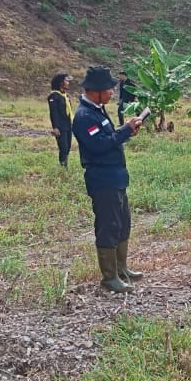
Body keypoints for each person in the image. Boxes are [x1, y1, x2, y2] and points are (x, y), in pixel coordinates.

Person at [72, 66, 145, 293]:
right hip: (102, 179)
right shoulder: (85, 116)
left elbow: (108, 137)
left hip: (116, 177)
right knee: (108, 226)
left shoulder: (98, 110)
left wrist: (125, 130)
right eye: (109, 90)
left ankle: (121, 268)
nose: (113, 93)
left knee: (122, 223)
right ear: (96, 91)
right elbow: (99, 145)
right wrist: (125, 131)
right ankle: (109, 277)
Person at [47, 72, 74, 167]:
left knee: (68, 148)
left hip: (68, 125)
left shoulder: (65, 96)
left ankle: (65, 165)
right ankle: (63, 168)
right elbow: (53, 113)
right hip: (60, 126)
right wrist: (55, 127)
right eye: (66, 81)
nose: (68, 83)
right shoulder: (54, 96)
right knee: (63, 148)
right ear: (60, 82)